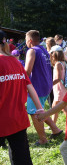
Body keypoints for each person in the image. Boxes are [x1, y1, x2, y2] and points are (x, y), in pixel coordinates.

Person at [0, 30, 44, 165]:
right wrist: (40, 109)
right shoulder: (15, 62)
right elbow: (29, 86)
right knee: (22, 157)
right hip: (17, 118)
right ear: (4, 41)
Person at [24, 30, 63, 145]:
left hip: (37, 87)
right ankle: (55, 130)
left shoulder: (31, 51)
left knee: (34, 113)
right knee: (40, 109)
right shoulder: (43, 50)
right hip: (46, 85)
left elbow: (27, 71)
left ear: (30, 40)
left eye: (26, 40)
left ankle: (43, 139)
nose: (26, 42)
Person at [49, 45, 67, 125]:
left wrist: (49, 85)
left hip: (59, 88)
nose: (51, 55)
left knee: (59, 107)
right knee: (58, 107)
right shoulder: (63, 62)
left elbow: (58, 78)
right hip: (61, 87)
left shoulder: (58, 64)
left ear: (55, 54)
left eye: (51, 54)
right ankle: (53, 125)